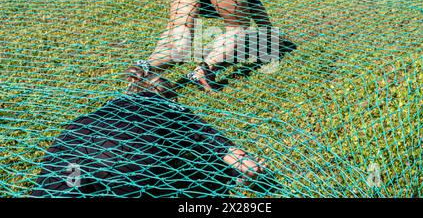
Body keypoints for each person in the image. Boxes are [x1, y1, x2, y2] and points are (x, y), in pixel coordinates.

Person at [30, 77, 265, 197]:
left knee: (66, 187)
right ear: (170, 97)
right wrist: (243, 167)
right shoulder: (171, 109)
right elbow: (213, 141)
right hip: (124, 164)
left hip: (74, 154)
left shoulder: (109, 107)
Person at [126, 0, 275, 92]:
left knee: (179, 34)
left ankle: (146, 66)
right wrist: (269, 34)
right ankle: (204, 70)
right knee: (237, 29)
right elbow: (256, 6)